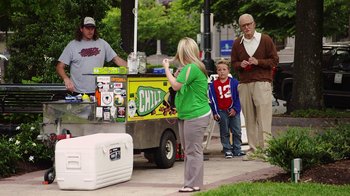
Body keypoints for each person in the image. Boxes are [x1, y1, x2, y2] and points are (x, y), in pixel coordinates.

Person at [162, 37, 211, 193]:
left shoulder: (192, 68)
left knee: (192, 151)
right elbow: (182, 86)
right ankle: (192, 183)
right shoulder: (191, 68)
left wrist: (167, 70)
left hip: (196, 115)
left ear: (183, 51)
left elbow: (175, 86)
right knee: (189, 150)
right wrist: (176, 74)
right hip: (188, 114)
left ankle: (192, 184)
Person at [231, 14, 279, 153]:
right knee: (249, 118)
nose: (246, 27)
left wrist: (259, 62)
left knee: (264, 117)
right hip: (245, 84)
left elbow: (275, 60)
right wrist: (241, 64)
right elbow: (233, 63)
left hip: (262, 82)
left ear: (254, 24)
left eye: (249, 24)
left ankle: (266, 149)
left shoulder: (265, 39)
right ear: (240, 27)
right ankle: (253, 149)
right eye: (243, 25)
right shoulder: (237, 43)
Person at [56, 16, 127, 95]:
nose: (90, 31)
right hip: (77, 92)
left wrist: (133, 68)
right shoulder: (72, 45)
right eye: (87, 28)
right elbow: (59, 66)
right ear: (81, 29)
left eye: (92, 28)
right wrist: (66, 79)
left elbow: (116, 59)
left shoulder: (102, 44)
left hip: (99, 90)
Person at [208, 60, 245, 158]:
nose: (222, 72)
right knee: (224, 131)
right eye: (219, 70)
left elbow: (239, 97)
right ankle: (227, 149)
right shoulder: (213, 85)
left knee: (237, 130)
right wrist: (215, 112)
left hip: (233, 110)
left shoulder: (234, 82)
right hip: (221, 111)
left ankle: (237, 148)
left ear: (228, 71)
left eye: (224, 69)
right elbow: (212, 100)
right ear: (216, 71)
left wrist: (236, 109)